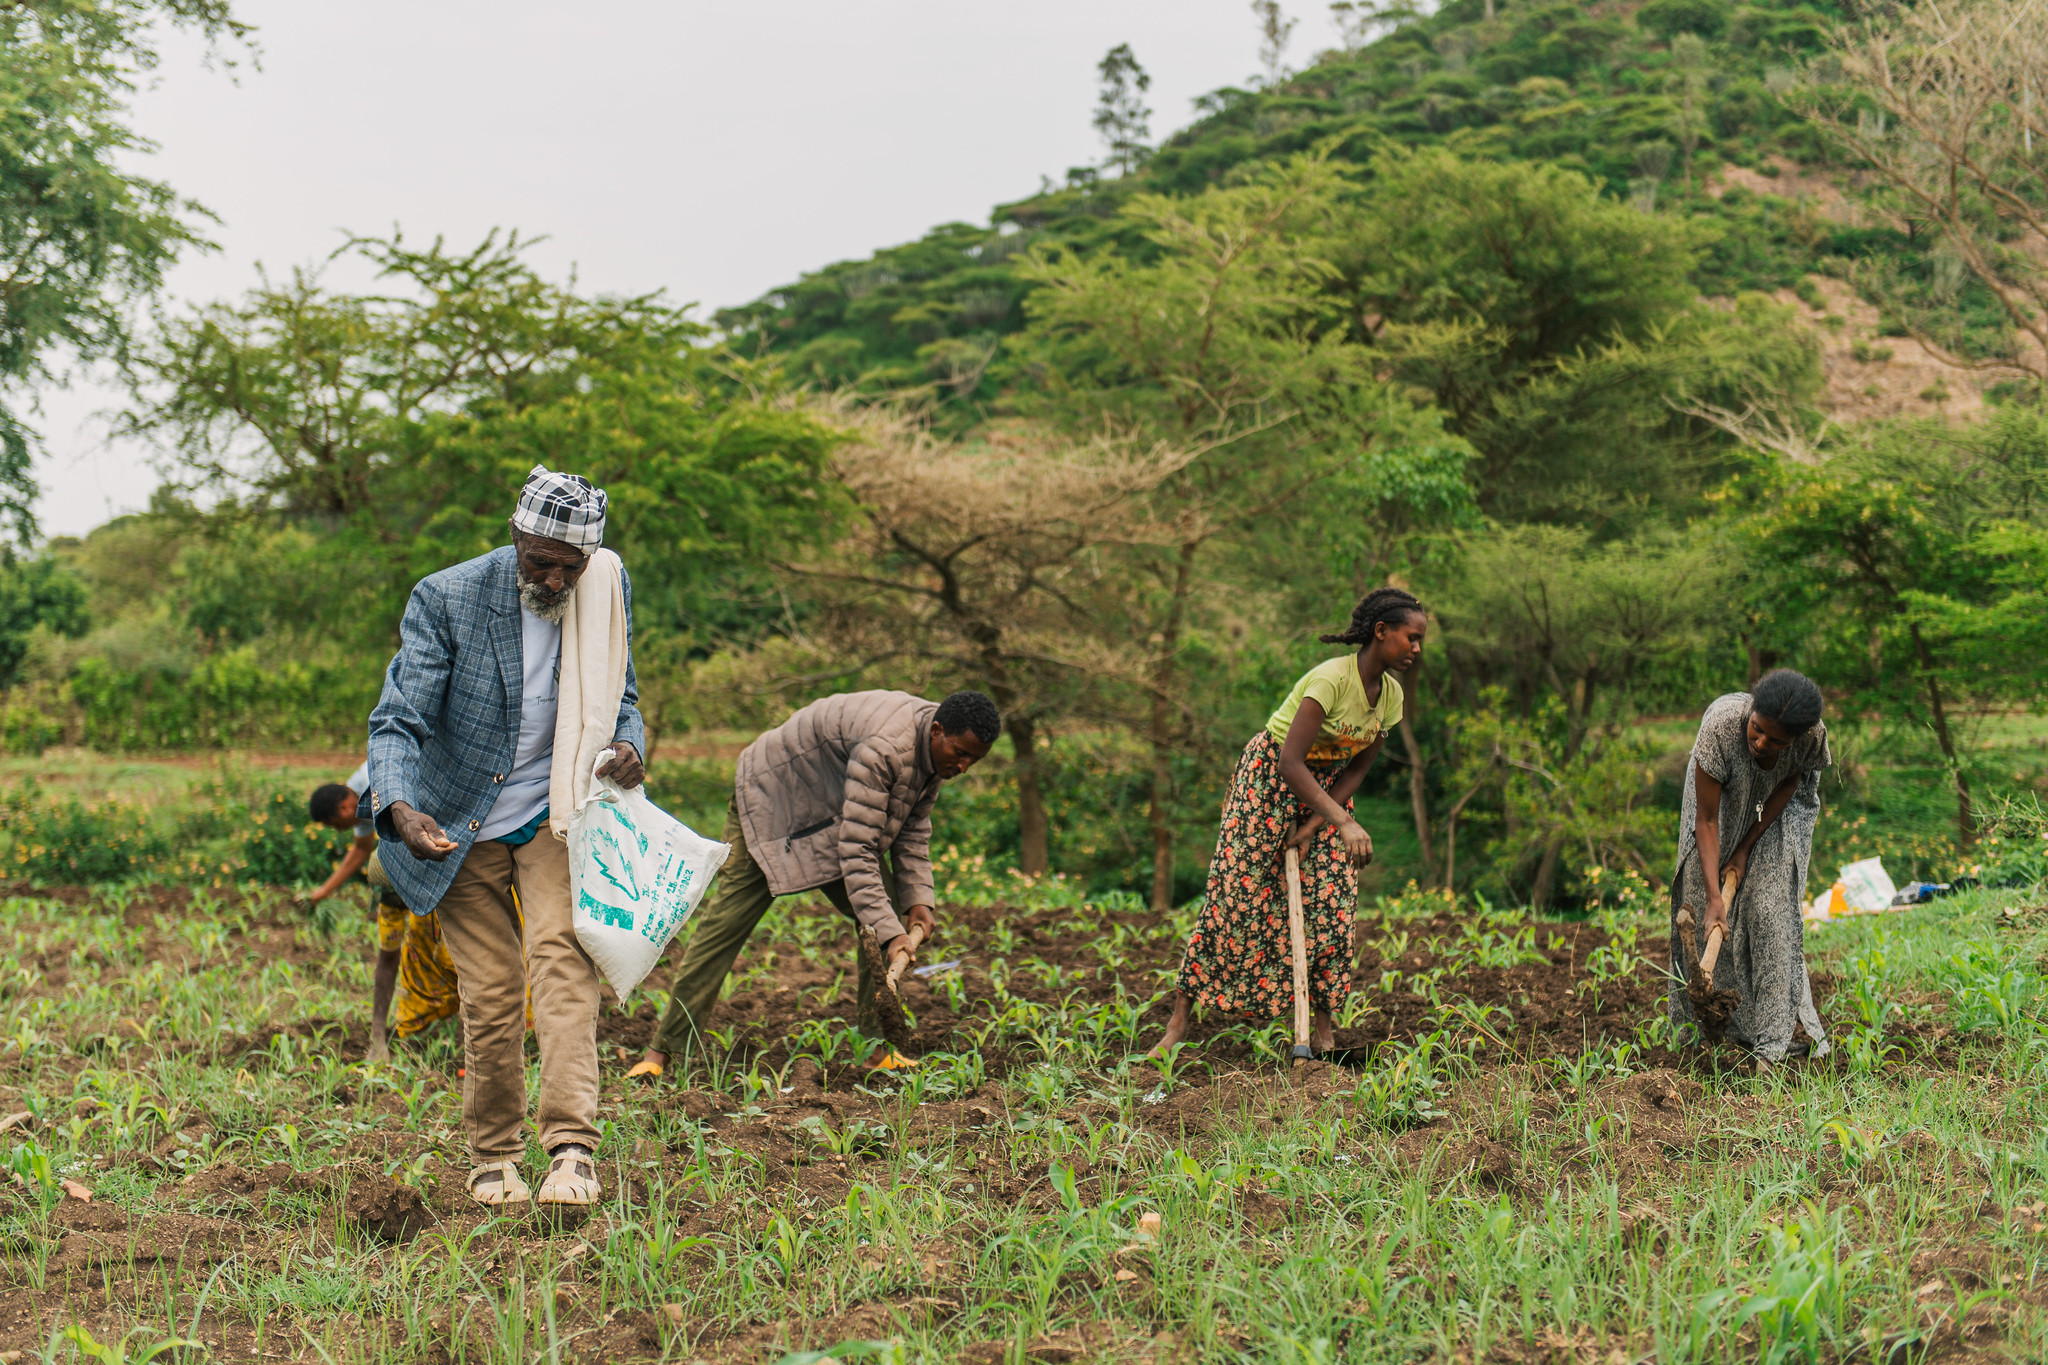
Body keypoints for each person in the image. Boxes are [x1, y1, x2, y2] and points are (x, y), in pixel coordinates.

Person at [368, 465, 645, 1209]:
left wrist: (630, 745)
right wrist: (399, 805)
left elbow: (622, 692)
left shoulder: (605, 588)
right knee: (489, 991)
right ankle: (494, 1156)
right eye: (539, 562)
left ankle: (572, 1151)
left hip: (553, 810)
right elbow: (398, 718)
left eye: (569, 566)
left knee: (563, 960)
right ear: (516, 536)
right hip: (453, 821)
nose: (554, 580)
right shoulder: (448, 595)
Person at [628, 689, 1001, 1082]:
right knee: (727, 923)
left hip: (828, 810)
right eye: (961, 753)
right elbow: (858, 851)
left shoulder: (932, 755)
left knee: (884, 913)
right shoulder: (886, 748)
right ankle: (661, 1052)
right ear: (937, 730)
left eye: (974, 760)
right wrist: (893, 933)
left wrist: (919, 903)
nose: (964, 766)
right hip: (770, 800)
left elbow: (911, 830)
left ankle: (877, 1051)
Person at [1147, 587, 1427, 1059]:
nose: (1417, 649)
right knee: (1233, 900)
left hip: (1328, 794)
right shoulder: (1329, 681)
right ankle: (1177, 1024)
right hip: (1268, 788)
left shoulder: (1390, 697)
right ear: (1381, 632)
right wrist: (1343, 822)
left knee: (1332, 907)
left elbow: (1357, 769)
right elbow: (1289, 762)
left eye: (1421, 640)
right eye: (1411, 637)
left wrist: (1319, 823)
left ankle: (1321, 1034)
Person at [1669, 668, 1831, 1067]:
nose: (1761, 743)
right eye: (1757, 729)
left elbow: (1791, 780)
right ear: (1751, 712)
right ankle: (1709, 1036)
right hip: (1716, 805)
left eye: (1776, 740)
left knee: (1771, 911)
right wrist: (1713, 898)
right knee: (1699, 890)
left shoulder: (1810, 738)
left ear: (1794, 738)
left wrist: (1744, 850)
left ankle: (1777, 1041)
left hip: (1779, 807)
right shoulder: (1722, 730)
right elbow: (1706, 822)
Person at [307, 764, 461, 1064]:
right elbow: (361, 849)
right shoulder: (379, 867)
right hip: (404, 873)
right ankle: (385, 1036)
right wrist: (323, 892)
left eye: (336, 825)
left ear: (342, 808)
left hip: (436, 859)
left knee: (449, 955)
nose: (342, 831)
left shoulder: (378, 773)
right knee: (399, 952)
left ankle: (465, 1038)